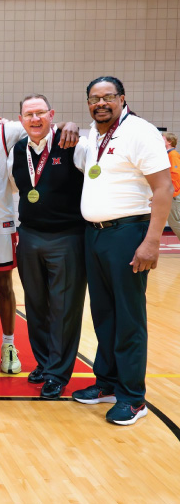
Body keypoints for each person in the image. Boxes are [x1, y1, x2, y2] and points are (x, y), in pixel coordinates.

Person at [0, 82, 79, 376]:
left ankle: (8, 344)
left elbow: (42, 127)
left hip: (0, 221)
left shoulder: (8, 129)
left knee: (4, 286)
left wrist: (69, 123)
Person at [71, 76, 172, 426]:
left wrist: (152, 240)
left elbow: (163, 188)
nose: (101, 103)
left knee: (128, 318)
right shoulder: (95, 133)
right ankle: (108, 383)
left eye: (108, 97)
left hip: (128, 233)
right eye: (94, 98)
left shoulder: (140, 132)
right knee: (104, 314)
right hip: (95, 236)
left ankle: (132, 397)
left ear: (122, 98)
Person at [7, 94, 88, 399]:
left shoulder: (72, 144)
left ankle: (58, 372)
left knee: (64, 308)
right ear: (21, 120)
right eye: (29, 114)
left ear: (52, 114)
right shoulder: (17, 149)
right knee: (36, 306)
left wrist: (74, 125)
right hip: (29, 236)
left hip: (67, 237)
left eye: (41, 113)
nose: (35, 119)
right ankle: (44, 362)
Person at [163, 133, 180, 240]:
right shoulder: (168, 154)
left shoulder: (173, 155)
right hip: (170, 193)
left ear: (169, 142)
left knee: (175, 222)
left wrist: (171, 192)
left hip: (173, 194)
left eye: (162, 139)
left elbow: (175, 174)